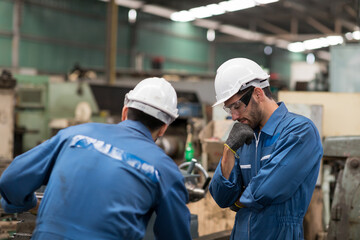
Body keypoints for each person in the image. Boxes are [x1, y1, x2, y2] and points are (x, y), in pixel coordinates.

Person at [0, 77, 192, 240]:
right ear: (164, 128)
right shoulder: (164, 170)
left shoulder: (74, 135)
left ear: (125, 111)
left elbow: (10, 180)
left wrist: (28, 204)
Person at [209, 58, 323, 240]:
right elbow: (222, 197)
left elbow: (264, 191)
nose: (234, 116)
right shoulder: (244, 136)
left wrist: (237, 203)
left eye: (237, 106)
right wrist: (228, 150)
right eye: (229, 109)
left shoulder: (299, 131)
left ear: (258, 93)